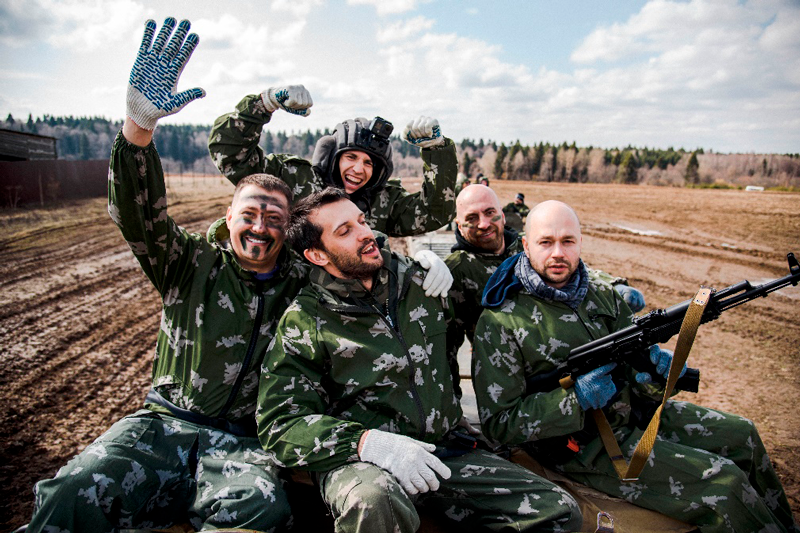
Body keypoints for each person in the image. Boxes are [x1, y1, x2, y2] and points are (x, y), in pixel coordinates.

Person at [27, 18, 454, 532]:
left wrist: (419, 264)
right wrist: (138, 130)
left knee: (261, 512)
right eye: (248, 215)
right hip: (164, 423)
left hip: (244, 441)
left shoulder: (305, 277)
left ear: (292, 232)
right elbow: (139, 212)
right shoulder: (190, 263)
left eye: (275, 219)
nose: (259, 227)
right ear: (226, 218)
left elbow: (359, 261)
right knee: (72, 493)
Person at [256, 188, 583, 533]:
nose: (366, 234)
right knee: (373, 501)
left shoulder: (419, 281)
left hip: (443, 452)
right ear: (317, 255)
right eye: (344, 231)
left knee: (557, 511)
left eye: (362, 221)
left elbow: (505, 292)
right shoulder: (305, 321)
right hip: (364, 464)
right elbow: (280, 424)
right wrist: (367, 444)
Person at [471, 200, 799, 533]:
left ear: (581, 243)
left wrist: (654, 374)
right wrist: (575, 400)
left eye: (568, 241)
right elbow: (499, 424)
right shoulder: (501, 321)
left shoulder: (604, 297)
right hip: (581, 446)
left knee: (743, 434)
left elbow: (639, 382)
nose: (558, 252)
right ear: (526, 246)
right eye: (546, 242)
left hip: (633, 415)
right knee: (723, 485)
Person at [209, 88, 458, 237]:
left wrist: (437, 152)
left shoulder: (382, 201)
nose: (359, 169)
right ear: (332, 157)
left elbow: (435, 212)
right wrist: (264, 104)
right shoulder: (292, 178)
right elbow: (232, 156)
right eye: (351, 157)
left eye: (369, 163)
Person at [446, 185, 645, 359]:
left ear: (503, 215)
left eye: (490, 213)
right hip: (508, 360)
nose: (484, 223)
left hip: (561, 343)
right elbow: (447, 344)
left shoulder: (527, 244)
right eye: (472, 218)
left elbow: (573, 267)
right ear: (459, 226)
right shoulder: (459, 271)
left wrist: (613, 284)